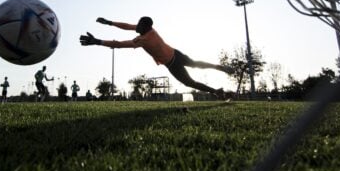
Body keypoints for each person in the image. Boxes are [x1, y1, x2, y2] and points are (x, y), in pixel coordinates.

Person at [80, 17, 233, 101]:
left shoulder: (144, 39)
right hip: (175, 54)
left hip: (173, 63)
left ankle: (218, 77)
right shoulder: (147, 29)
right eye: (137, 24)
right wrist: (110, 23)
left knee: (192, 73)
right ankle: (217, 89)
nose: (136, 27)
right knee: (193, 72)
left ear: (145, 28)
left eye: (139, 25)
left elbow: (119, 45)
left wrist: (98, 42)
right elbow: (128, 26)